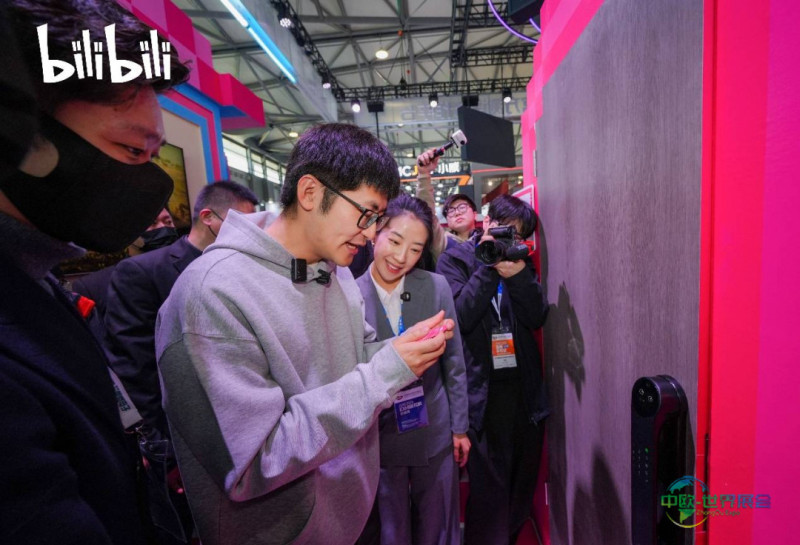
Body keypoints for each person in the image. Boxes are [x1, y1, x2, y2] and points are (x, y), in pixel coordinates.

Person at [155, 123, 456, 545]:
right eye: (366, 214)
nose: (372, 233)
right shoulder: (211, 295)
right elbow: (255, 461)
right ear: (311, 192)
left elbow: (353, 357)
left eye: (377, 219)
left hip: (350, 518)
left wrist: (401, 350)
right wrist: (387, 371)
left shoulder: (333, 267)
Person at [0, 0, 189, 543]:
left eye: (153, 154)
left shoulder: (41, 283)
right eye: (131, 149)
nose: (152, 186)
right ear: (22, 136)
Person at [103, 181, 257, 543]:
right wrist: (165, 454)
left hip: (236, 436)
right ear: (209, 218)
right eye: (243, 224)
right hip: (177, 441)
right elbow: (135, 371)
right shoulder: (142, 273)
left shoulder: (243, 271)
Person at [355, 194, 470, 545]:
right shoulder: (349, 296)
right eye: (395, 241)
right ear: (376, 233)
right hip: (380, 436)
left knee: (438, 525)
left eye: (415, 249)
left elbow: (454, 362)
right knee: (392, 529)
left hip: (433, 426)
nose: (401, 257)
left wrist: (460, 428)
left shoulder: (435, 286)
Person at [436, 194, 549, 545]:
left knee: (520, 485)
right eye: (503, 231)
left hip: (524, 391)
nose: (508, 240)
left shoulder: (520, 262)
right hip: (481, 394)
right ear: (487, 224)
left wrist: (518, 276)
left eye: (517, 235)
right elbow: (462, 317)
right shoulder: (455, 259)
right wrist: (488, 265)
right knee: (488, 492)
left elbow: (536, 316)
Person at [73, 208, 178, 321]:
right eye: (152, 223)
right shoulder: (94, 286)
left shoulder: (186, 271)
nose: (162, 227)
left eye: (168, 222)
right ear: (128, 233)